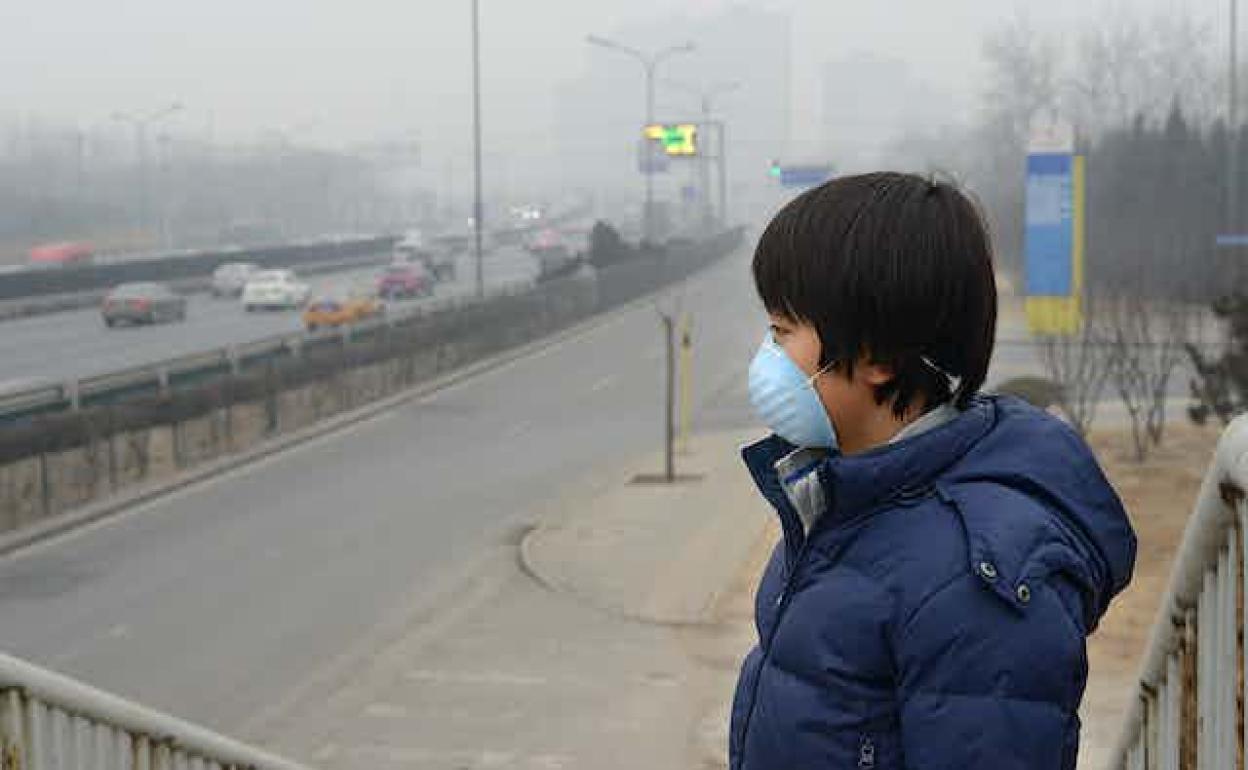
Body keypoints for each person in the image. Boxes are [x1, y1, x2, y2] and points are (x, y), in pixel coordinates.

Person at [730, 172, 1136, 769]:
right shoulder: (847, 498)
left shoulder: (976, 581)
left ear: (875, 357)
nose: (766, 357)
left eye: (781, 332)